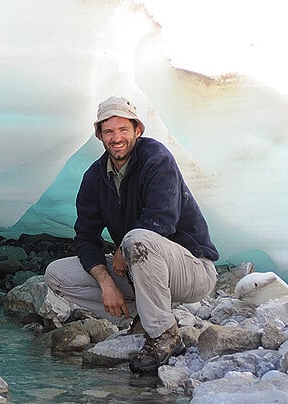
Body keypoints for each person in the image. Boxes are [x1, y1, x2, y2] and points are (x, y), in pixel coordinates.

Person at [44, 96, 219, 374]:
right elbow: (85, 237)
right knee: (57, 274)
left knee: (138, 240)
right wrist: (105, 282)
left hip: (192, 268)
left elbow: (162, 220)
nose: (116, 138)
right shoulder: (95, 177)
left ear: (138, 130)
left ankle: (164, 335)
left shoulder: (156, 159)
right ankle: (142, 317)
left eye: (123, 129)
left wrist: (121, 250)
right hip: (141, 267)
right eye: (109, 131)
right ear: (99, 135)